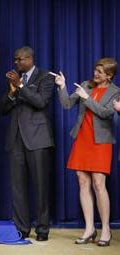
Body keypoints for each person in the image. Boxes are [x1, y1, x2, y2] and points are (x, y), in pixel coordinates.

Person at [54, 58, 119, 247]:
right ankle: (90, 228)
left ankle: (106, 229)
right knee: (83, 182)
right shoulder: (85, 85)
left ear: (109, 75)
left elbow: (106, 113)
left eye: (100, 72)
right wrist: (62, 86)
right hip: (82, 139)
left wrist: (86, 98)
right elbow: (67, 104)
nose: (95, 74)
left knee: (99, 184)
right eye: (95, 70)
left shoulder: (116, 91)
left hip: (101, 142)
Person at [0, 46, 55, 241]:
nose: (16, 63)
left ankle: (42, 229)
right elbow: (3, 109)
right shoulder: (15, 80)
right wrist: (12, 93)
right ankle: (22, 228)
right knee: (18, 187)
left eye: (19, 60)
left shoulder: (45, 77)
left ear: (29, 58)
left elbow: (40, 102)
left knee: (40, 186)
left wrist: (21, 86)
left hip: (38, 138)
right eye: (15, 60)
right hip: (16, 139)